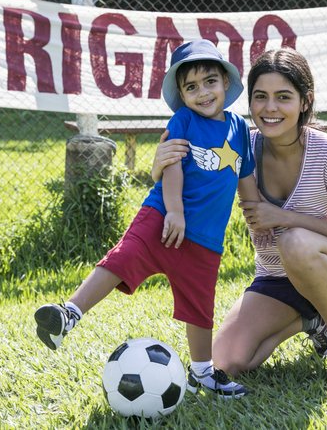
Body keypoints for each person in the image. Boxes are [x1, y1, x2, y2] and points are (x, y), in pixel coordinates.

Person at [34, 39, 266, 398]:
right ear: (181, 94)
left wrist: (256, 219)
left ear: (225, 83)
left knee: (199, 305)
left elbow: (246, 179)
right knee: (123, 258)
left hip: (205, 239)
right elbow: (172, 163)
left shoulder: (239, 129)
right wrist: (174, 210)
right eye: (191, 87)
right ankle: (69, 313)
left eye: (210, 82)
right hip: (162, 219)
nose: (203, 92)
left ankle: (203, 372)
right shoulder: (184, 121)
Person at [151, 47, 327, 388]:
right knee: (225, 362)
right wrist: (160, 166)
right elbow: (186, 183)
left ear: (304, 101)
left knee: (294, 240)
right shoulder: (239, 145)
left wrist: (282, 216)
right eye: (261, 97)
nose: (270, 108)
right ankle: (313, 322)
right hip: (275, 276)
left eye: (283, 97)